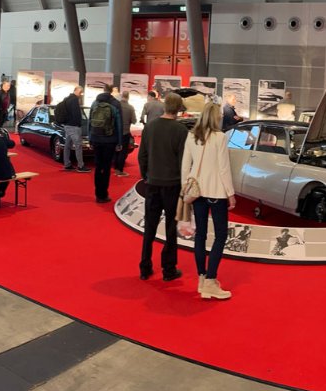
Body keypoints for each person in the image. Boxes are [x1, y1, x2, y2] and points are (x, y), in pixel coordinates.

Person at [180, 101, 236, 300]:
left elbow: (185, 166)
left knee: (200, 236)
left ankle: (202, 278)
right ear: (216, 117)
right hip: (216, 192)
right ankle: (211, 281)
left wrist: (185, 189)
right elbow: (224, 168)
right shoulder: (220, 137)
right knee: (220, 236)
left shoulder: (191, 136)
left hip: (196, 192)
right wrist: (230, 193)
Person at [137, 94, 188, 281]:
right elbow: (183, 162)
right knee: (171, 228)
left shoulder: (150, 127)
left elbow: (142, 156)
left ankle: (145, 266)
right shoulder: (181, 131)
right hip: (173, 185)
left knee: (149, 227)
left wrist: (146, 176)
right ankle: (168, 269)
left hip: (152, 183)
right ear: (179, 108)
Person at [88, 89, 125, 202]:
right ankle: (103, 194)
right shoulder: (115, 105)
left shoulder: (95, 103)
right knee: (106, 167)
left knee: (98, 166)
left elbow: (90, 122)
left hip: (96, 139)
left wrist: (90, 139)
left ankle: (98, 194)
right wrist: (120, 142)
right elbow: (119, 125)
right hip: (110, 140)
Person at [54, 88, 88, 173]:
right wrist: (79, 124)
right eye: (80, 92)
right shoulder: (74, 100)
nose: (81, 94)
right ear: (76, 91)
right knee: (78, 146)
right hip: (74, 126)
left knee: (67, 145)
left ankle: (67, 164)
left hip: (67, 125)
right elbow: (76, 114)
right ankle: (80, 166)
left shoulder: (67, 99)